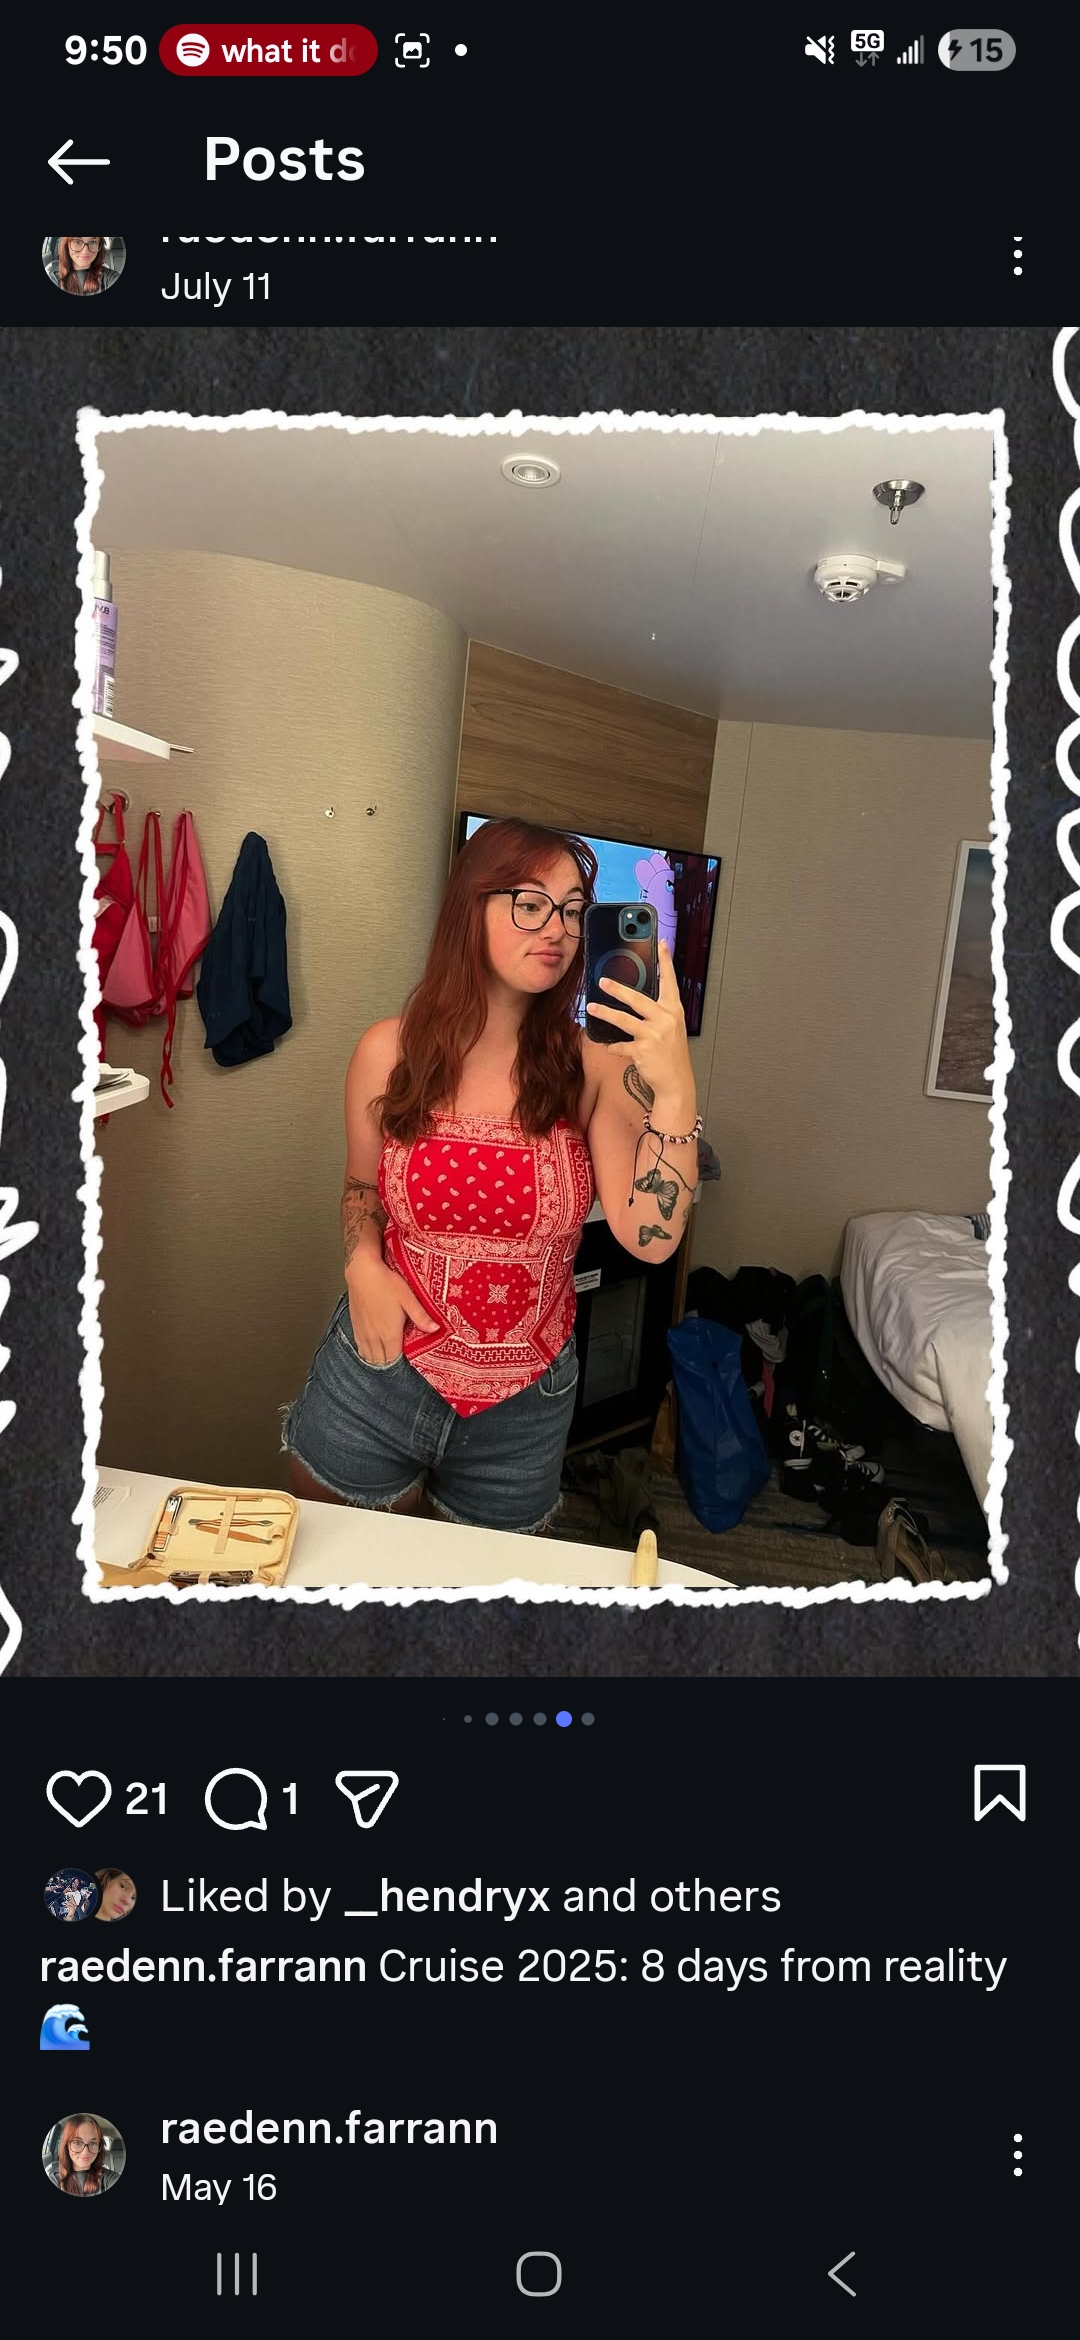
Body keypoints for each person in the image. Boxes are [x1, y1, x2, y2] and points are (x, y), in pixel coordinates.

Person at [282, 818, 700, 1535]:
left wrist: (676, 1087)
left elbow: (651, 1239)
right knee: (335, 1580)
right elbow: (361, 1190)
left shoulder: (594, 1065)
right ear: (469, 906)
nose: (559, 929)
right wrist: (361, 1266)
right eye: (531, 903)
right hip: (378, 1375)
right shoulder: (388, 1052)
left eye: (573, 910)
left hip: (524, 1410)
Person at [44, 2117, 120, 2194]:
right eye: (77, 2142)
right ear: (67, 2146)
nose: (85, 2152)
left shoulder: (110, 2178)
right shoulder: (54, 2180)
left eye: (92, 2143)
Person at [44, 237, 121, 295]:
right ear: (67, 245)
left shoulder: (111, 278)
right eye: (77, 242)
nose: (85, 251)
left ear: (99, 246)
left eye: (93, 242)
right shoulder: (54, 279)